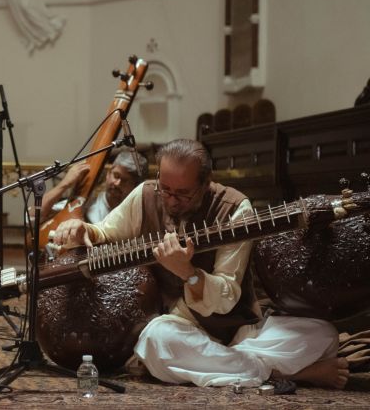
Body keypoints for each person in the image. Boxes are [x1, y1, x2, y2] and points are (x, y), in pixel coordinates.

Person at [52, 138, 349, 390]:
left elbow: (227, 295)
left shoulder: (234, 209)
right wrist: (81, 229)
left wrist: (188, 273)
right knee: (157, 340)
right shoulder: (145, 195)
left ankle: (226, 365)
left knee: (323, 333)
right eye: (165, 189)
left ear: (206, 183)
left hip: (230, 332)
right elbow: (105, 232)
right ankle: (280, 373)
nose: (171, 200)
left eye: (183, 193)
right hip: (174, 327)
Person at [39, 151, 148, 225]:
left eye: (125, 180)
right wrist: (65, 183)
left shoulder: (137, 214)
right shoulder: (86, 201)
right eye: (116, 175)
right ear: (108, 174)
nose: (117, 183)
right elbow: (34, 215)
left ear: (135, 186)